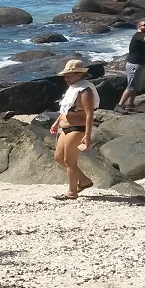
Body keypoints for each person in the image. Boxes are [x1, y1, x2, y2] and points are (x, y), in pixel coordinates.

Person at [49, 59, 100, 201]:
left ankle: (72, 192)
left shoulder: (85, 90)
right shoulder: (72, 89)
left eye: (69, 75)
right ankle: (84, 181)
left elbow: (90, 114)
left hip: (78, 128)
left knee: (69, 160)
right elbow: (65, 109)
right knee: (58, 158)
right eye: (65, 75)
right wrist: (56, 122)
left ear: (79, 75)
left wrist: (88, 136)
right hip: (65, 127)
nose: (66, 78)